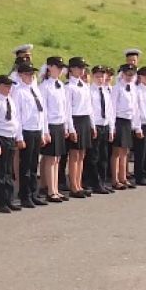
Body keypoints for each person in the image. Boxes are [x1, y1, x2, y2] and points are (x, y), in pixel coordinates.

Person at [11, 62, 48, 207]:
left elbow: (42, 113)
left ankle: (33, 193)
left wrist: (44, 132)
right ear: (20, 75)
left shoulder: (35, 90)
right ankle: (25, 195)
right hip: (26, 130)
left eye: (32, 73)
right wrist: (19, 137)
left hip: (36, 130)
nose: (30, 76)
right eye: (27, 74)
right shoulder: (18, 91)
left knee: (33, 165)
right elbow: (17, 116)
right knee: (25, 166)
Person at [0, 75, 24, 213]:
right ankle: (1, 203)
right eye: (6, 86)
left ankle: (10, 200)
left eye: (10, 86)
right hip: (1, 138)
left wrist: (19, 137)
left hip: (11, 137)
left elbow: (16, 121)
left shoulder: (11, 101)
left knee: (9, 172)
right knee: (1, 173)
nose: (9, 89)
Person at [37, 57, 69, 203]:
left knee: (57, 159)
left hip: (60, 124)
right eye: (57, 66)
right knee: (50, 159)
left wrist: (66, 126)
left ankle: (55, 188)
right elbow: (42, 111)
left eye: (61, 67)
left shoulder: (61, 85)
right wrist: (45, 131)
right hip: (50, 125)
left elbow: (65, 108)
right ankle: (50, 191)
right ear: (49, 67)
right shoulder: (44, 87)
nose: (60, 69)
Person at [64, 57, 93, 198]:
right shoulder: (69, 87)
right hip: (75, 120)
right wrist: (71, 128)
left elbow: (89, 107)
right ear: (71, 69)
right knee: (74, 155)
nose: (82, 70)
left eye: (83, 68)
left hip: (85, 119)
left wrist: (91, 125)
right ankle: (73, 186)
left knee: (82, 154)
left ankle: (79, 183)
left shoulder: (85, 85)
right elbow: (67, 109)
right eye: (79, 67)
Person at [86, 65, 115, 194]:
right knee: (93, 157)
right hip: (95, 126)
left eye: (102, 76)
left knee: (104, 156)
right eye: (97, 76)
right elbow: (90, 110)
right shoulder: (89, 91)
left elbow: (110, 111)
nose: (100, 79)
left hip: (105, 125)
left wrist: (111, 128)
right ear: (93, 77)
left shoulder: (106, 91)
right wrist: (92, 127)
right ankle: (94, 183)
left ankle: (102, 182)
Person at [110, 63, 137, 190]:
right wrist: (112, 126)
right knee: (117, 151)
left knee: (125, 151)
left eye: (132, 74)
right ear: (122, 74)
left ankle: (123, 177)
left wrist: (137, 126)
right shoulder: (117, 88)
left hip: (128, 121)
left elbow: (135, 108)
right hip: (119, 120)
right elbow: (113, 108)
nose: (130, 77)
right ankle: (115, 179)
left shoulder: (132, 88)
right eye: (127, 74)